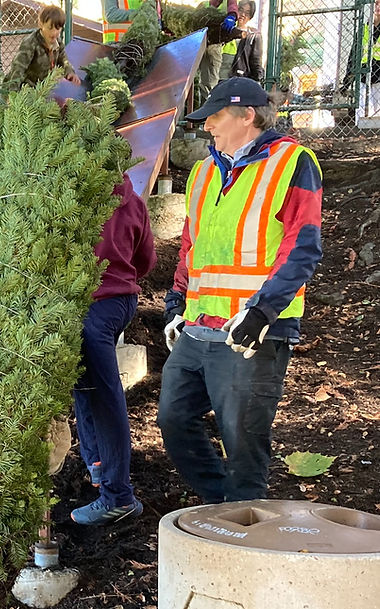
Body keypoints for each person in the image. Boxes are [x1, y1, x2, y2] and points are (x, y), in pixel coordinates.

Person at [157, 77, 322, 504]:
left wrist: (261, 312)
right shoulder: (203, 171)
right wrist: (177, 302)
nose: (207, 125)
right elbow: (192, 244)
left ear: (247, 115)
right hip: (197, 329)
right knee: (174, 421)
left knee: (244, 442)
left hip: (252, 335)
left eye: (215, 116)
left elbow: (302, 246)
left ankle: (244, 530)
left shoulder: (293, 163)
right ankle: (227, 507)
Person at [70, 173, 156, 525]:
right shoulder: (130, 199)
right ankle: (98, 464)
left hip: (99, 305)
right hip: (119, 301)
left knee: (103, 390)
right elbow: (145, 259)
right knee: (85, 380)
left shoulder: (69, 196)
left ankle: (118, 494)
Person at [3, 4, 82, 90]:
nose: (54, 33)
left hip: (44, 88)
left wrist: (70, 72)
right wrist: (12, 95)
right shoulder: (30, 43)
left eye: (58, 28)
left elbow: (63, 60)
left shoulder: (58, 43)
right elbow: (18, 69)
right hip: (26, 90)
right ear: (41, 24)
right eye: (50, 28)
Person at [199, 0, 242, 100]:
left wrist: (232, 16)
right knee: (204, 82)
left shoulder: (228, 2)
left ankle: (211, 109)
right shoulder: (205, 4)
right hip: (203, 45)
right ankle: (205, 108)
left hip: (219, 48)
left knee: (212, 82)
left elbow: (233, 7)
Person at [219, 0, 264, 83]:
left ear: (251, 16)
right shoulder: (226, 27)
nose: (243, 15)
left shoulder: (254, 35)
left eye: (247, 13)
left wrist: (257, 82)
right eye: (241, 10)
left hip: (238, 79)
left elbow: (256, 61)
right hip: (219, 77)